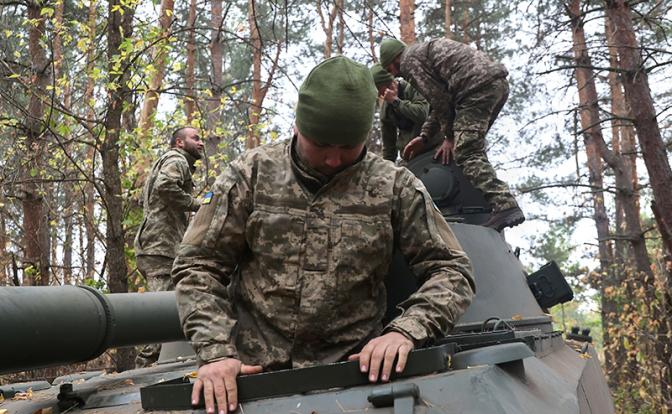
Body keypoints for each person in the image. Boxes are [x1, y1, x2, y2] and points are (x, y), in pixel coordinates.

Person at [172, 56, 475, 414]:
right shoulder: (250, 175)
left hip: (357, 377)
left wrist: (406, 330)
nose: (333, 159)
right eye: (321, 144)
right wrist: (216, 352)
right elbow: (198, 265)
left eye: (348, 147)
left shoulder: (395, 186)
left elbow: (452, 270)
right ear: (298, 126)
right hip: (252, 380)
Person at [379, 37, 525, 231]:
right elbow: (439, 103)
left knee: (466, 151)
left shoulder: (409, 61)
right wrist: (425, 136)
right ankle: (497, 203)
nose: (393, 74)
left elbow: (439, 101)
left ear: (394, 59)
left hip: (474, 90)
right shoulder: (421, 53)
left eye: (389, 69)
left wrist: (449, 137)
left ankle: (505, 204)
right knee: (472, 146)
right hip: (494, 84)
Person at [134, 126, 204, 367]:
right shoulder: (176, 160)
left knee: (173, 308)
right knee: (161, 312)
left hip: (161, 247)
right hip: (159, 248)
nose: (201, 143)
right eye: (195, 138)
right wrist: (196, 204)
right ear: (179, 143)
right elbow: (165, 186)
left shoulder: (171, 161)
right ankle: (141, 371)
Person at [369, 63, 442, 162]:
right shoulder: (387, 108)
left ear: (390, 83)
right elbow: (389, 143)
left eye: (380, 91)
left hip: (434, 147)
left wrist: (396, 102)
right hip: (411, 157)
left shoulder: (412, 87)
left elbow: (422, 114)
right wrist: (388, 165)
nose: (381, 95)